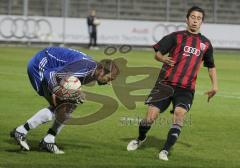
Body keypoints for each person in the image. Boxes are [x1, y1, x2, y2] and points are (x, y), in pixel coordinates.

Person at [127, 6, 218, 161]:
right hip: (165, 84)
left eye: (199, 18)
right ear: (187, 18)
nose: (195, 20)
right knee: (150, 117)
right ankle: (140, 138)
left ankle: (165, 150)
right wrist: (162, 58)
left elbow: (211, 66)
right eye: (193, 17)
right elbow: (157, 53)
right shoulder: (176, 37)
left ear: (202, 21)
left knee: (179, 114)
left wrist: (215, 86)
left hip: (186, 89)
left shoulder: (206, 44)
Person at [10, 46, 119, 154]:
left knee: (70, 104)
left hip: (51, 69)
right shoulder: (85, 68)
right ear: (101, 70)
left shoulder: (92, 72)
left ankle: (48, 139)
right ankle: (21, 131)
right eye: (109, 78)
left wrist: (72, 94)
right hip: (41, 64)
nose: (109, 82)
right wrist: (63, 92)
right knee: (58, 106)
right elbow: (51, 74)